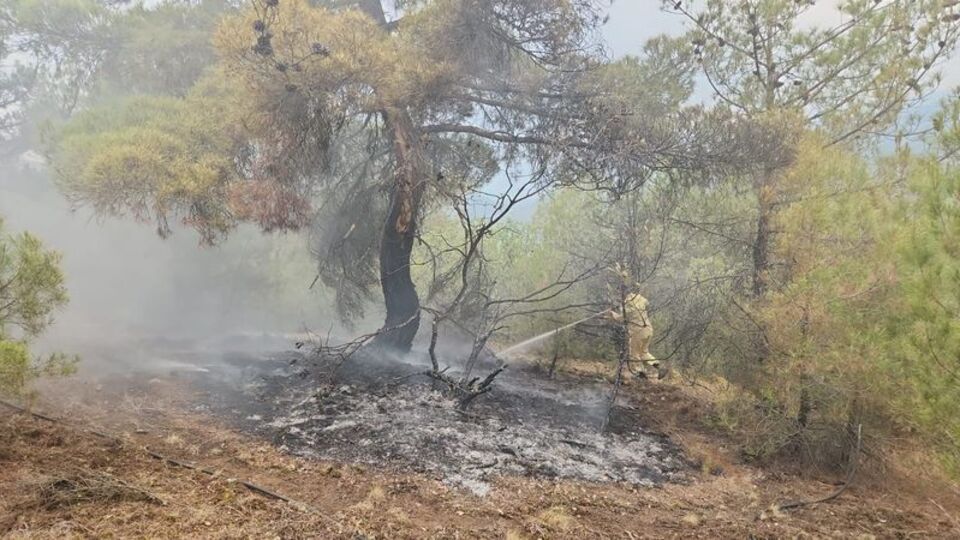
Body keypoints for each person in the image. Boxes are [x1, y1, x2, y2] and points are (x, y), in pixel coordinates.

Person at [609, 286, 663, 379]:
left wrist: (613, 314)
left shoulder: (628, 303)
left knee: (634, 354)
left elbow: (622, 318)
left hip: (638, 331)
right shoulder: (638, 298)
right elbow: (645, 304)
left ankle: (639, 373)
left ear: (622, 293)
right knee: (643, 353)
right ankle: (660, 367)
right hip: (648, 330)